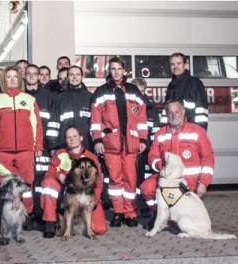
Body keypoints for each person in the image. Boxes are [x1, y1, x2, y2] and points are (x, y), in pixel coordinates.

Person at [91, 57, 148, 227]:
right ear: (109, 70)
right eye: (113, 68)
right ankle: (118, 212)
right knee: (115, 180)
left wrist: (143, 139)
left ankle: (130, 213)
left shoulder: (133, 91)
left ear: (124, 71)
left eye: (119, 69)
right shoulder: (101, 92)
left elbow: (142, 118)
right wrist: (97, 139)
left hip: (131, 143)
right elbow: (95, 120)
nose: (116, 72)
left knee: (130, 179)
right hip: (111, 144)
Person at [140, 99, 214, 230]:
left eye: (177, 112)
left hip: (188, 183)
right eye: (170, 112)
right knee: (147, 188)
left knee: (183, 221)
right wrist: (161, 167)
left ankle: (176, 218)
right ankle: (160, 214)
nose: (173, 116)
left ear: (183, 112)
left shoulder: (197, 132)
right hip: (166, 180)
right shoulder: (160, 134)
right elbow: (152, 157)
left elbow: (208, 158)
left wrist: (203, 183)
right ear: (166, 114)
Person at [0, 66, 44, 218]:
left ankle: (27, 214)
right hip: (3, 151)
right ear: (4, 80)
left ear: (19, 79)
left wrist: (38, 145)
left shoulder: (29, 100)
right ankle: (6, 215)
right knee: (4, 184)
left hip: (26, 151)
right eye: (9, 77)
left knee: (27, 184)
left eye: (15, 77)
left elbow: (36, 124)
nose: (12, 79)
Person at [40, 126, 107, 238]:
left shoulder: (90, 157)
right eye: (68, 137)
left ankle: (77, 224)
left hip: (86, 196)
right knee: (48, 184)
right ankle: (50, 223)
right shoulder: (60, 154)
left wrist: (95, 201)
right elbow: (49, 173)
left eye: (75, 136)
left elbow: (99, 183)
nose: (72, 139)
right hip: (65, 196)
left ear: (81, 138)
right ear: (65, 140)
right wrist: (58, 175)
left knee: (99, 229)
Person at [23, 64, 55, 229]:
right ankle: (28, 216)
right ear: (25, 75)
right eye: (28, 73)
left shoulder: (48, 97)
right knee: (27, 183)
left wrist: (50, 146)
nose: (31, 76)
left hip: (43, 147)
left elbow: (52, 123)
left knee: (41, 181)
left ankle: (42, 214)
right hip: (24, 148)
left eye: (34, 74)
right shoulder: (19, 96)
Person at [46, 66, 94, 154]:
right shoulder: (59, 98)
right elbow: (53, 124)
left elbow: (95, 124)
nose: (74, 77)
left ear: (82, 77)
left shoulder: (90, 98)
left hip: (87, 147)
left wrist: (96, 143)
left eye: (77, 74)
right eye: (71, 75)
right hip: (64, 147)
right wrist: (52, 146)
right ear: (67, 78)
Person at [130, 77, 160, 218]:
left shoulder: (150, 106)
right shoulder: (127, 104)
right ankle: (132, 207)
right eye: (138, 91)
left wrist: (154, 147)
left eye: (143, 91)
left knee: (143, 179)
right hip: (130, 148)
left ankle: (145, 207)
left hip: (146, 149)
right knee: (131, 179)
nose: (141, 94)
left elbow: (155, 128)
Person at [164, 52, 209, 130]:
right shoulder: (171, 86)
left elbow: (201, 113)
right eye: (172, 64)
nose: (175, 66)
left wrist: (200, 132)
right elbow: (167, 112)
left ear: (185, 65)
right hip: (173, 132)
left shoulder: (195, 83)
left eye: (179, 63)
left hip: (190, 131)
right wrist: (164, 129)